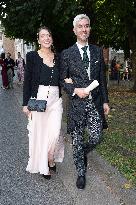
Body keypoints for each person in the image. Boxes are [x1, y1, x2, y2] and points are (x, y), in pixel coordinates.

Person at [60, 14, 110, 189]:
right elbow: (62, 80)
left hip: (95, 102)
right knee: (77, 138)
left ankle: (82, 153)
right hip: (77, 105)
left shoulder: (97, 51)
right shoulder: (67, 54)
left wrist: (105, 101)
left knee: (96, 136)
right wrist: (74, 90)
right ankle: (81, 173)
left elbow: (102, 80)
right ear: (74, 30)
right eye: (80, 26)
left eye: (86, 26)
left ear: (89, 28)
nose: (84, 29)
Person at [22, 26, 64, 179]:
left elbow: (63, 78)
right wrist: (25, 103)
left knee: (54, 133)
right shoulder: (32, 56)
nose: (46, 38)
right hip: (38, 99)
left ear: (51, 38)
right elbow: (27, 81)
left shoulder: (59, 57)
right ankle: (44, 164)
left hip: (55, 100)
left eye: (49, 35)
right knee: (39, 134)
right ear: (38, 39)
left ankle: (50, 157)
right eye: (43, 36)